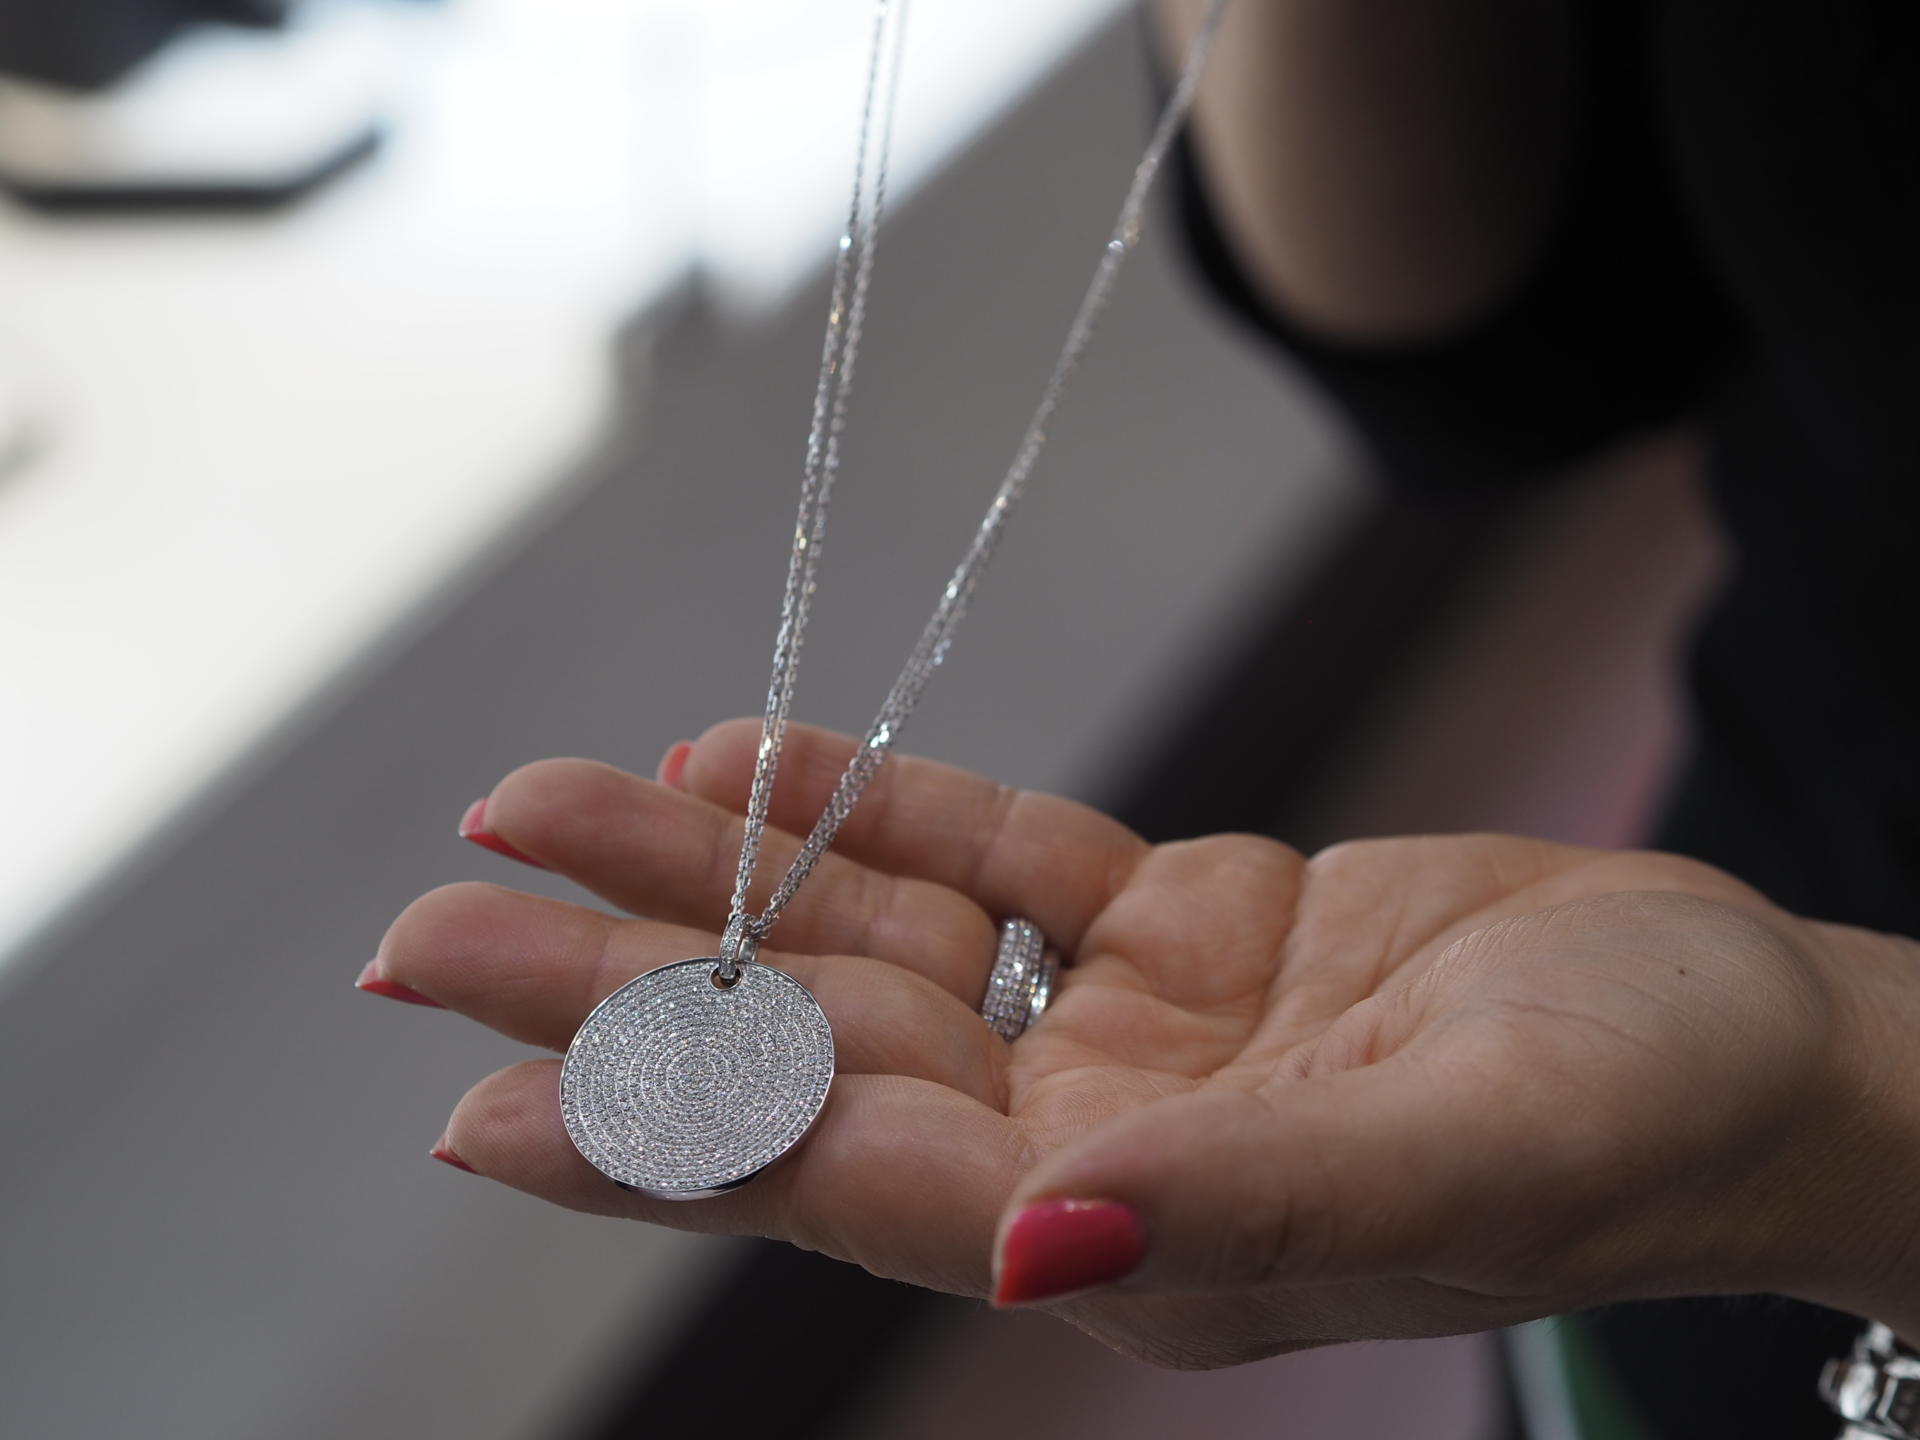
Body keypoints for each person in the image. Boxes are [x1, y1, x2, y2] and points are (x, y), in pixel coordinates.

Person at [365, 2, 1920, 1434]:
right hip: (1754, 968)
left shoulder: (1760, 1084)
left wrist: (1864, 1105)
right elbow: (1485, 353)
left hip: (1760, 1055)